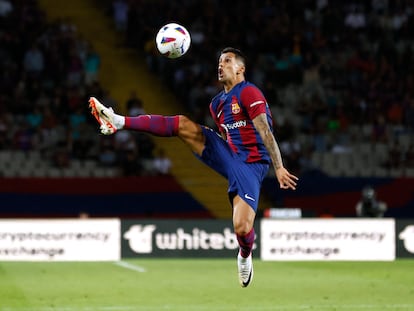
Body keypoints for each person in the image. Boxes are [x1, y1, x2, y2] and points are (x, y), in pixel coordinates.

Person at [89, 47, 298, 287]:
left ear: (240, 68)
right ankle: (119, 121)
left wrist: (278, 166)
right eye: (219, 61)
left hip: (252, 164)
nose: (221, 65)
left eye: (227, 61)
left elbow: (265, 131)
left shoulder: (249, 92)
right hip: (229, 154)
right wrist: (221, 154)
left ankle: (244, 254)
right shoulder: (217, 104)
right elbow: (225, 134)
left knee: (241, 228)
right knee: (182, 124)